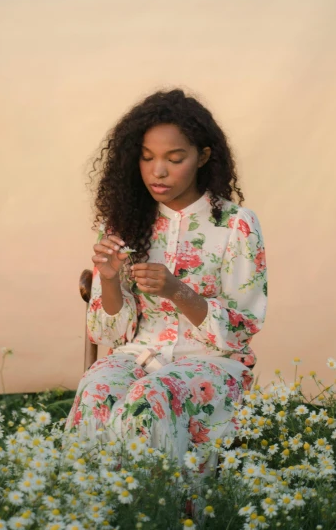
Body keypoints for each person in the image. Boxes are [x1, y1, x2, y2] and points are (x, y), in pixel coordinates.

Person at [64, 88, 268, 476]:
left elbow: (241, 331)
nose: (158, 171)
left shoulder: (236, 224)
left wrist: (178, 291)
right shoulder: (128, 222)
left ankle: (155, 511)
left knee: (150, 396)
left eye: (175, 159)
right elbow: (109, 331)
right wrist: (108, 281)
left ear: (203, 157)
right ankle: (90, 512)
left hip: (212, 364)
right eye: (147, 157)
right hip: (135, 355)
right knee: (96, 391)